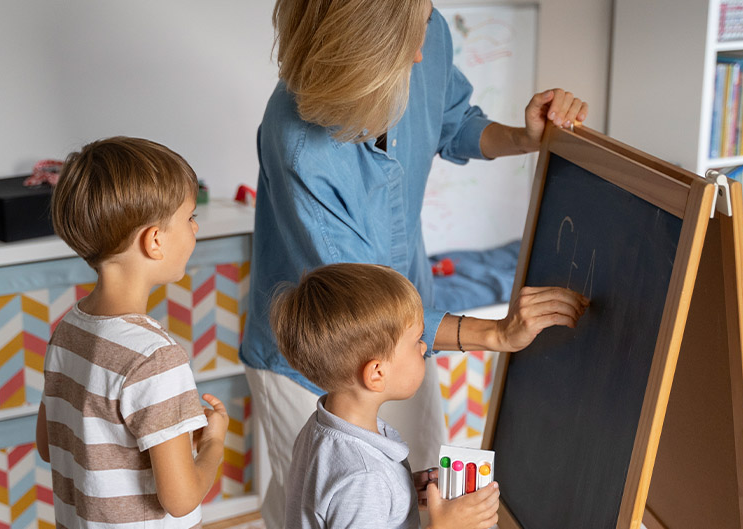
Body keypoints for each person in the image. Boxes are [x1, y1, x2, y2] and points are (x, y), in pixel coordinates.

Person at [240, 1, 591, 525]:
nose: (424, 49)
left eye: (424, 19)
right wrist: (495, 334)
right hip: (325, 353)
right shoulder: (301, 151)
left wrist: (525, 137)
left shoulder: (421, 25)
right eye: (408, 35)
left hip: (405, 332)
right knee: (320, 501)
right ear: (359, 51)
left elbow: (455, 122)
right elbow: (366, 316)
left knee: (386, 490)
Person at [35, 137, 231, 528]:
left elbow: (48, 444)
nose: (195, 228)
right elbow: (180, 500)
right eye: (189, 217)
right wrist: (212, 445)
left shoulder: (68, 330)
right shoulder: (155, 357)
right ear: (154, 241)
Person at [272, 263, 501, 529]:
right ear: (377, 373)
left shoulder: (319, 428)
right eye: (416, 341)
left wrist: (401, 493)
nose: (424, 347)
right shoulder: (365, 477)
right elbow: (358, 489)